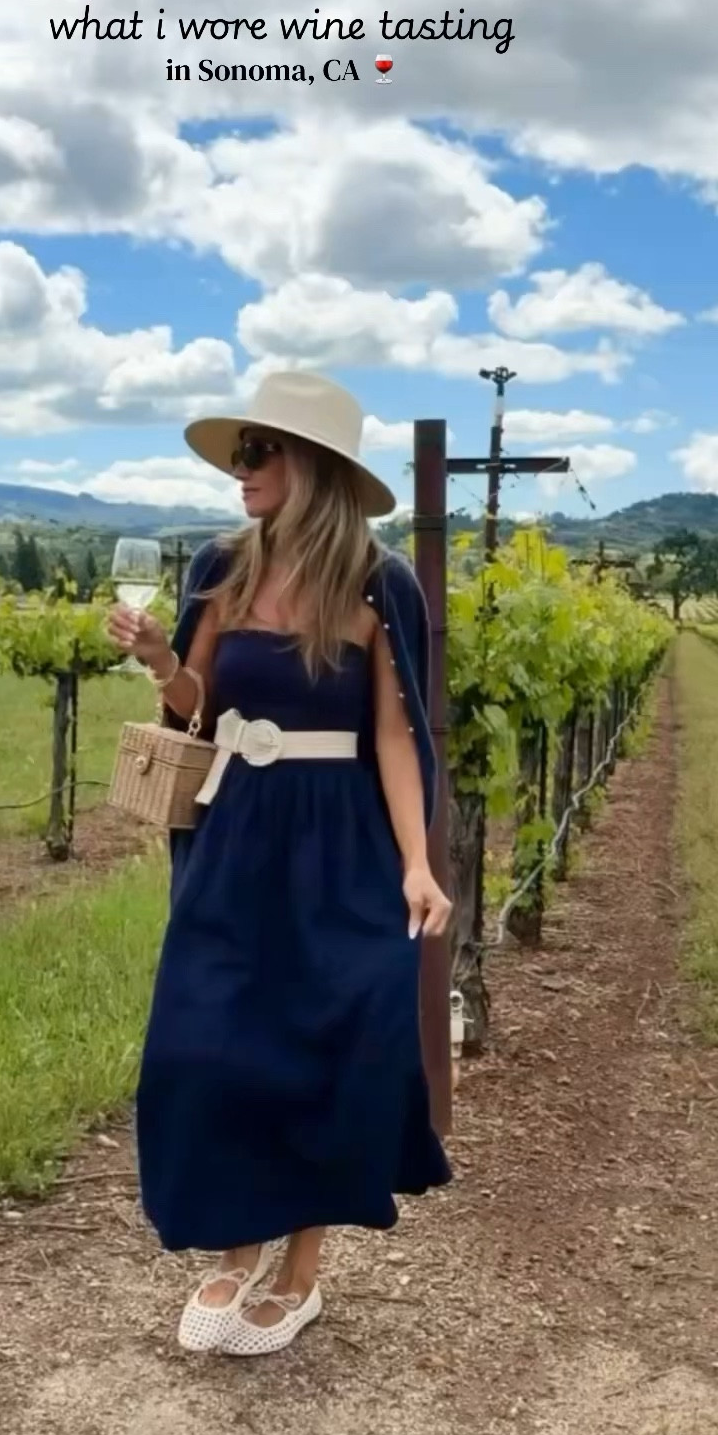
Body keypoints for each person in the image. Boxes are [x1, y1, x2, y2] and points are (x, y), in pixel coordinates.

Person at [108, 370, 452, 1357]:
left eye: (259, 452)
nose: (240, 470)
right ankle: (235, 1236)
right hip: (239, 828)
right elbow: (194, 704)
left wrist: (417, 863)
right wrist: (152, 660)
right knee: (205, 1038)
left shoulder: (379, 583)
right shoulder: (220, 566)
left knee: (323, 1043)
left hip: (340, 835)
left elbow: (395, 734)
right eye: (239, 452)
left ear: (318, 468)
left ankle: (296, 1274)